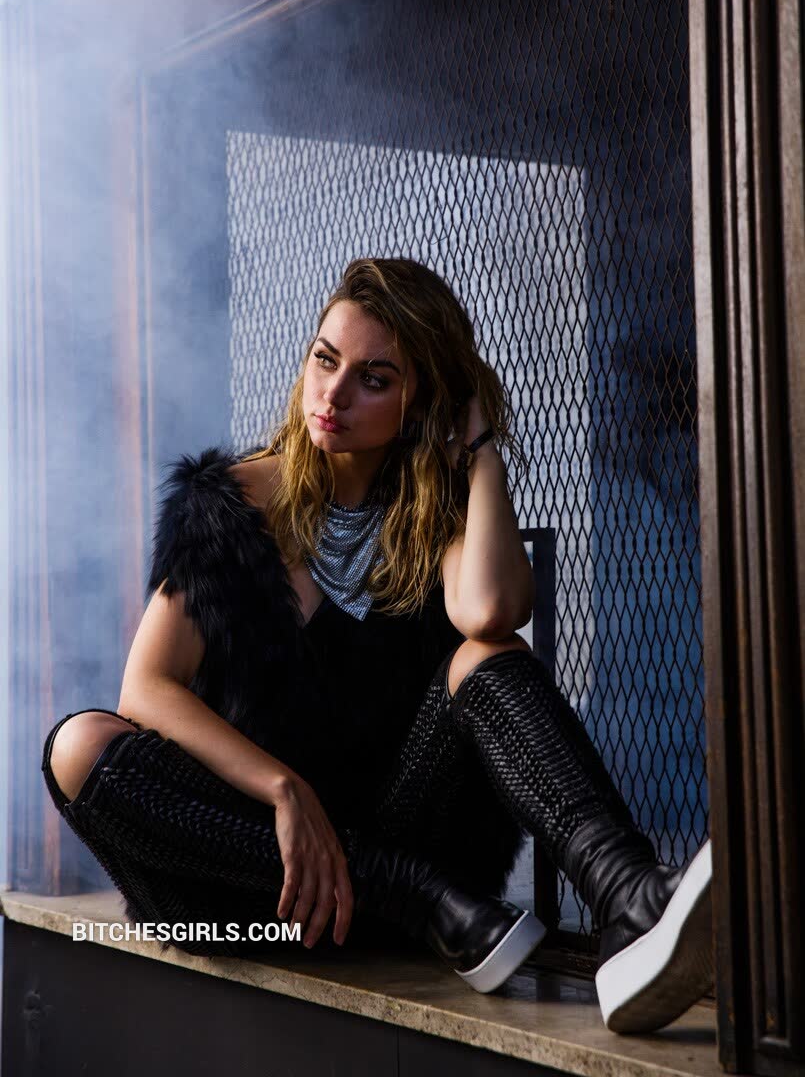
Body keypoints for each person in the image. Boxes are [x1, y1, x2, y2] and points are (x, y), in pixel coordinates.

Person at [42, 257, 713, 1034]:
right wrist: (284, 790)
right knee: (78, 746)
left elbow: (492, 612)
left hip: (427, 875)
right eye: (324, 360)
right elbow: (147, 689)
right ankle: (403, 887)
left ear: (421, 401)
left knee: (485, 655)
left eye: (373, 379)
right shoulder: (231, 504)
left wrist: (480, 452)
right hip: (256, 892)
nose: (332, 395)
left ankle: (629, 898)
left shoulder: (435, 519)